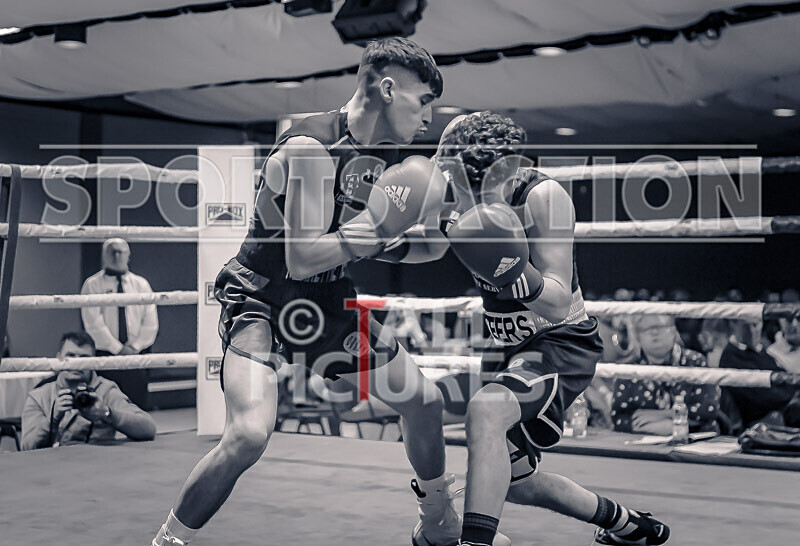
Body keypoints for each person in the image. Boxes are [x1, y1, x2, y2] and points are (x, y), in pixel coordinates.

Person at [152, 37, 493, 546]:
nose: (429, 119)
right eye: (424, 101)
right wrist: (381, 226)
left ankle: (438, 520)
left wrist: (445, 234)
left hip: (325, 301)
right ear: (386, 87)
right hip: (261, 299)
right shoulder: (310, 146)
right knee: (247, 435)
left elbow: (376, 249)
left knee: (422, 400)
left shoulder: (381, 156)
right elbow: (304, 255)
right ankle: (167, 540)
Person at [435, 111, 669, 545]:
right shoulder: (449, 190)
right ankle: (629, 525)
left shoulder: (542, 195)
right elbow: (425, 249)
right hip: (506, 346)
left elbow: (559, 297)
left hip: (559, 340)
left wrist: (510, 268)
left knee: (487, 410)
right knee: (515, 479)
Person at [21, 332, 156, 450]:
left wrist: (107, 413)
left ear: (93, 360)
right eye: (70, 356)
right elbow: (27, 447)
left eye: (84, 357)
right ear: (59, 358)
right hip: (51, 466)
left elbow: (148, 429)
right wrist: (52, 420)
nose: (76, 363)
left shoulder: (106, 390)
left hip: (97, 466)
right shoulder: (39, 396)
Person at [81, 238, 159, 407]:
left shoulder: (141, 284)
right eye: (112, 251)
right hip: (106, 353)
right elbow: (93, 322)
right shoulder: (92, 285)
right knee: (106, 402)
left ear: (128, 255)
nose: (116, 255)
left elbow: (151, 321)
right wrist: (118, 349)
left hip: (137, 353)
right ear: (104, 255)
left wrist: (134, 347)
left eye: (120, 251)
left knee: (137, 403)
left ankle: (137, 432)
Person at [610, 315, 720, 435]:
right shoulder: (629, 369)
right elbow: (619, 419)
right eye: (646, 329)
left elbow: (708, 410)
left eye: (660, 326)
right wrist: (657, 428)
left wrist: (666, 417)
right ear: (638, 336)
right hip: (643, 443)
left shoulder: (696, 361)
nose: (654, 332)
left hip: (698, 440)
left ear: (673, 331)